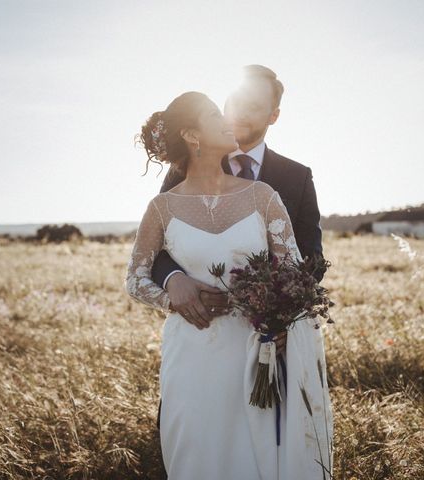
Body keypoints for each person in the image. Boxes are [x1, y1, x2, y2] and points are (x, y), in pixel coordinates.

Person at [125, 90, 333, 479]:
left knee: (257, 458)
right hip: (191, 352)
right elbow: (135, 277)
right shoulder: (163, 206)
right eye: (215, 113)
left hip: (256, 349)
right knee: (197, 456)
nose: (227, 119)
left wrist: (284, 322)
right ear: (191, 136)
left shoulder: (264, 196)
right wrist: (172, 293)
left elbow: (296, 270)